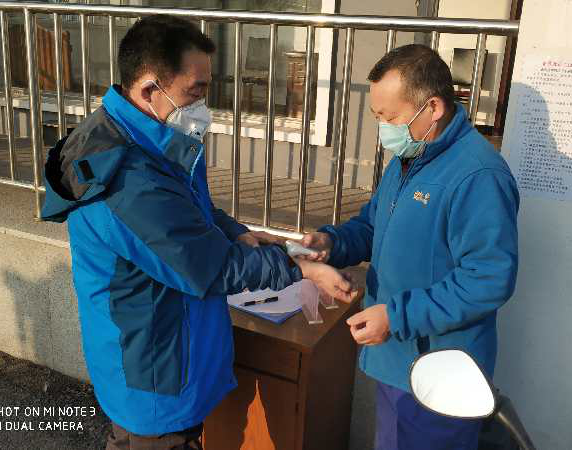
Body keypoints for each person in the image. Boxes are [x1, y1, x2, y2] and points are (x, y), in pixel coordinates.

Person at [40, 15, 355, 450]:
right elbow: (209, 266)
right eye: (195, 91)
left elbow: (187, 213)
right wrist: (300, 269)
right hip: (156, 376)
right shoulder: (127, 180)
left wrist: (237, 232)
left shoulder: (138, 136)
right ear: (149, 89)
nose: (204, 107)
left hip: (152, 354)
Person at [301, 44, 519, 450]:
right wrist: (332, 242)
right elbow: (374, 224)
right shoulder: (411, 157)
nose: (385, 130)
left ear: (433, 107)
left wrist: (396, 316)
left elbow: (487, 279)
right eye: (378, 117)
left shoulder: (478, 175)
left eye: (391, 118)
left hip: (441, 371)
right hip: (396, 358)